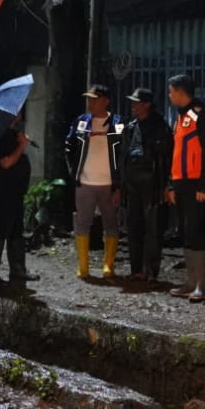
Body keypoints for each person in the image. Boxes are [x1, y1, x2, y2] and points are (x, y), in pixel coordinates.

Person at [166, 74, 205, 301]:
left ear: (180, 91)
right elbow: (177, 155)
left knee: (197, 232)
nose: (169, 96)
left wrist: (204, 185)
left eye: (171, 91)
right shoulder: (181, 118)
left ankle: (203, 285)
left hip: (196, 184)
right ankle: (191, 281)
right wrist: (171, 184)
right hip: (181, 183)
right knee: (185, 233)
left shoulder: (202, 116)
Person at [65, 84, 123, 279]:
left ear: (106, 101)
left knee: (111, 225)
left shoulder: (116, 123)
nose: (90, 102)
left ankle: (108, 266)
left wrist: (119, 185)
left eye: (94, 99)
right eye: (89, 98)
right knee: (82, 224)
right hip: (85, 182)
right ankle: (83, 267)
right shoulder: (81, 122)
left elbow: (122, 154)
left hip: (108, 184)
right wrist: (74, 172)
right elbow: (69, 147)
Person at [121, 86, 172, 282]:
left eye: (137, 102)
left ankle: (151, 271)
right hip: (133, 182)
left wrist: (166, 184)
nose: (133, 106)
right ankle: (137, 270)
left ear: (147, 104)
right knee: (134, 226)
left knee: (153, 228)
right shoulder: (132, 127)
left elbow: (166, 158)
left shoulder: (160, 127)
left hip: (152, 183)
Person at [0, 116, 31, 289]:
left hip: (15, 191)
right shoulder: (0, 135)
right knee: (2, 228)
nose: (19, 114)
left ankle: (18, 270)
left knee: (16, 229)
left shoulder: (11, 133)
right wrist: (21, 145)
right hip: (4, 190)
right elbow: (6, 162)